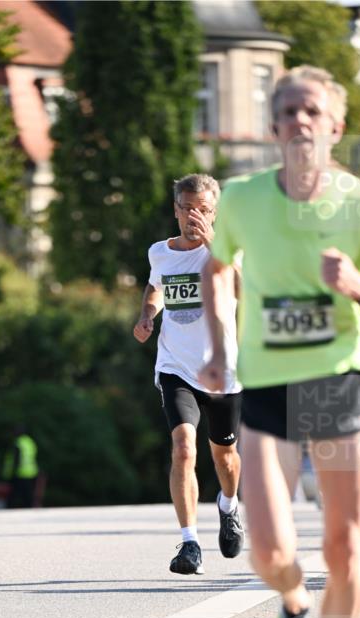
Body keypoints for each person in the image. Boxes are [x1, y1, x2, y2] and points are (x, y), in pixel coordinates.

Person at [201, 65, 360, 618]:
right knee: (266, 548)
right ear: (271, 126)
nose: (298, 119)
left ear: (333, 125)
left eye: (310, 110)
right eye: (286, 109)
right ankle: (291, 604)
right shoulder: (239, 199)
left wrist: (356, 287)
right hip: (265, 386)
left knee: (345, 548)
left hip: (338, 382)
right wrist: (215, 344)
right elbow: (216, 268)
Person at [133, 173, 244, 575]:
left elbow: (245, 288)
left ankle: (229, 506)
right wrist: (147, 314)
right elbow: (154, 288)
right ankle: (189, 543)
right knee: (182, 447)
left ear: (216, 212)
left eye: (204, 209)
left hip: (222, 370)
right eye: (187, 209)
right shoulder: (160, 252)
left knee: (225, 458)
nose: (194, 216)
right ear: (175, 210)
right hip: (175, 365)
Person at [3, 425, 39, 508]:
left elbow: (16, 459)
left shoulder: (18, 443)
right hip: (32, 472)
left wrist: (12, 472)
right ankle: (30, 509)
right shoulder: (30, 442)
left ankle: (9, 509)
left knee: (14, 495)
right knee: (28, 496)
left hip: (20, 473)